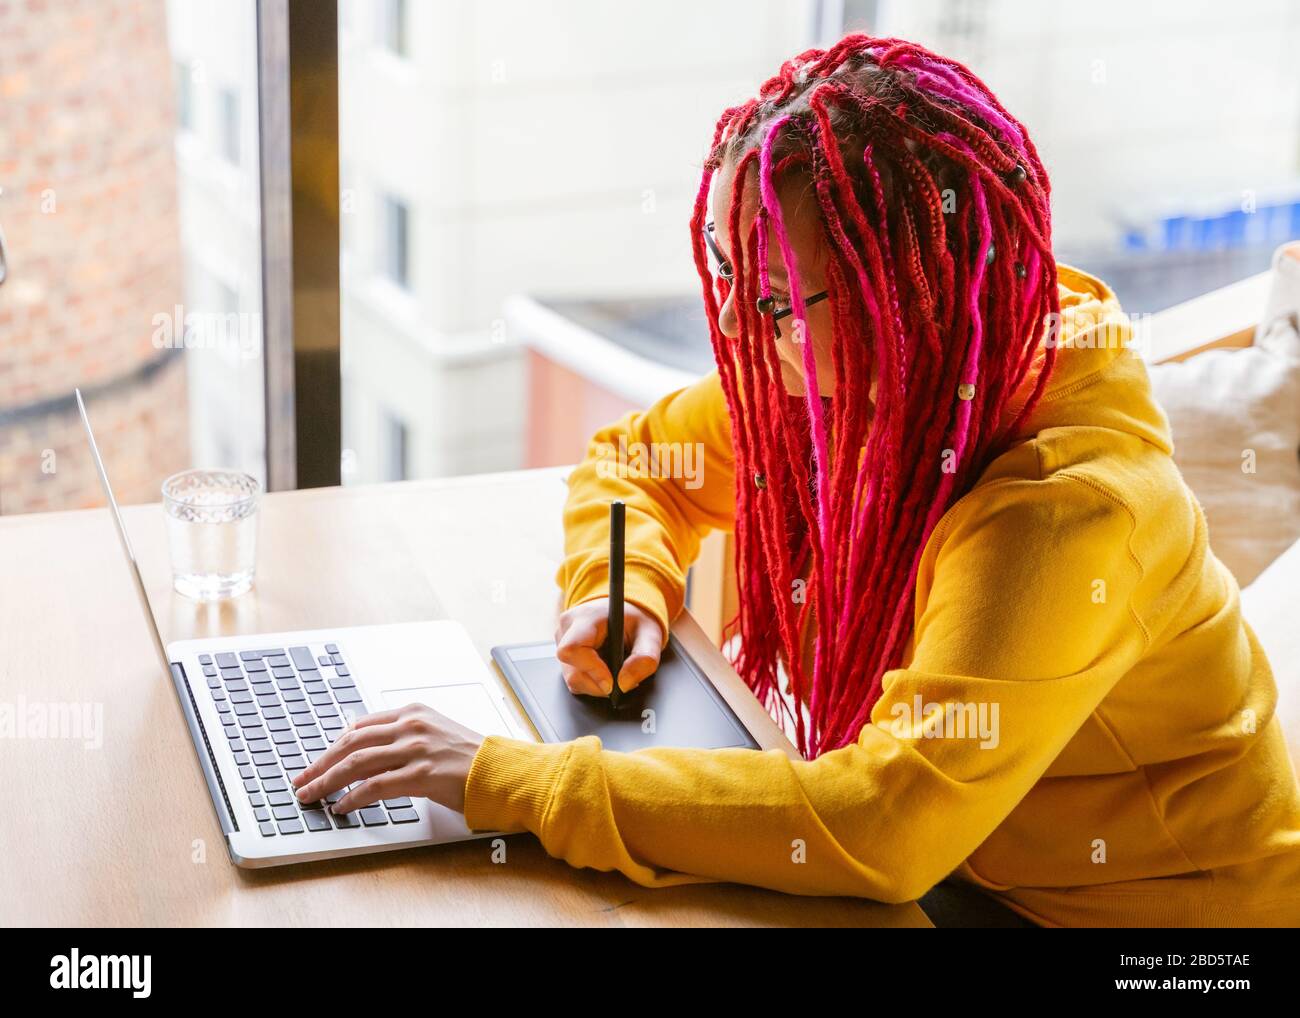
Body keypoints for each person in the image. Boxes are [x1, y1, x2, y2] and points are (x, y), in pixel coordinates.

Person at [293, 34, 1300, 927]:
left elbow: (884, 822)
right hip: (959, 868)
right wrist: (617, 587)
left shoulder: (1066, 512)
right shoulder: (860, 376)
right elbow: (637, 462)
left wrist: (506, 783)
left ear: (903, 295)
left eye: (773, 298)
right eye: (728, 274)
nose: (733, 328)